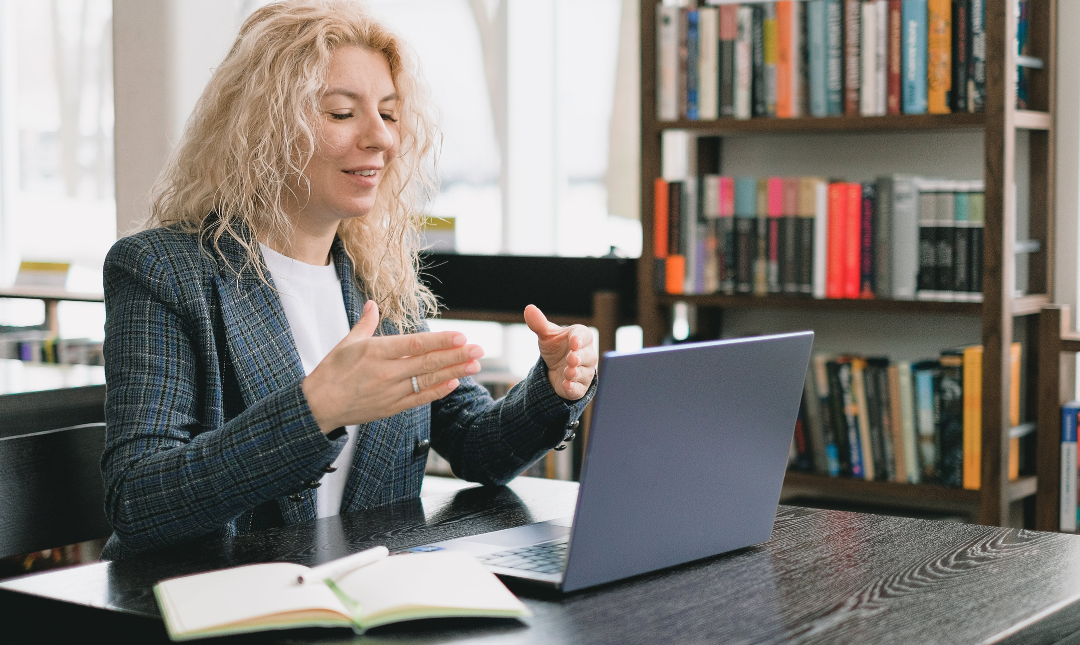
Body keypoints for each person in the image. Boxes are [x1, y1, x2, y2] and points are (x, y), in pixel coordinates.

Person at [99, 0, 597, 560]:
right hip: (218, 607)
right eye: (341, 113)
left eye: (388, 113)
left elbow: (478, 445)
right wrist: (316, 409)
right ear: (263, 126)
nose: (381, 138)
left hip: (366, 603)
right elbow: (139, 500)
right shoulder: (161, 270)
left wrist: (554, 386)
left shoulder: (377, 276)